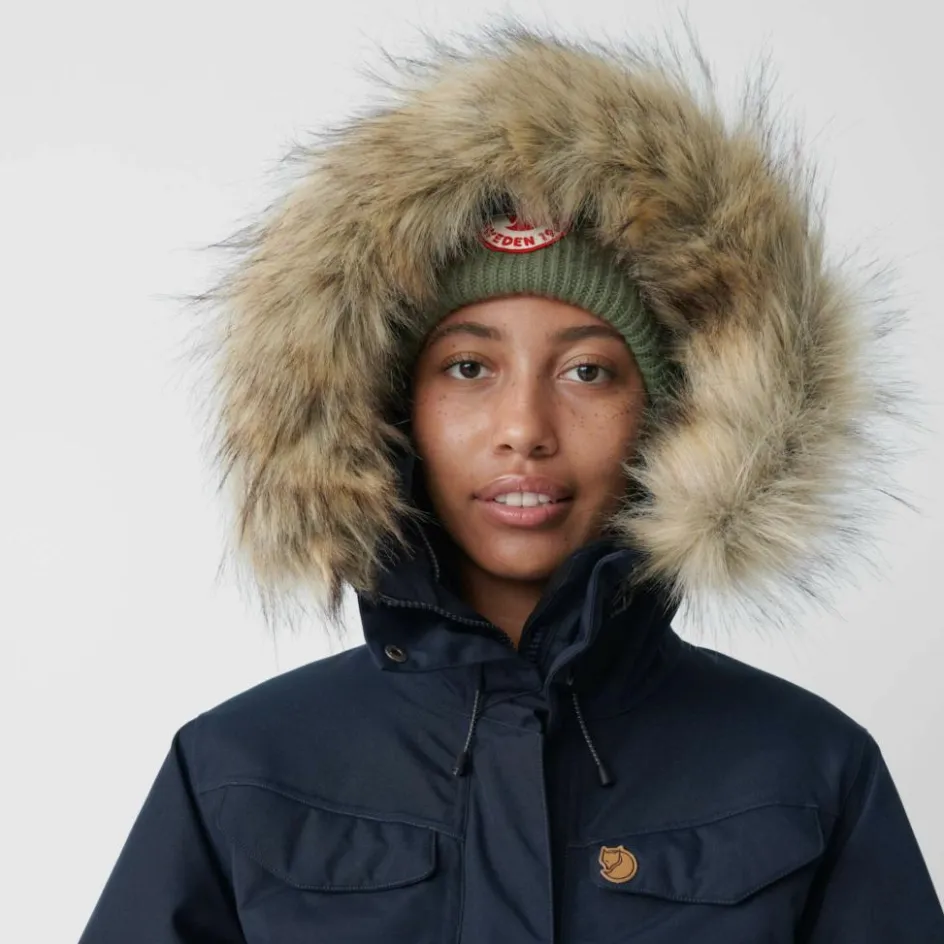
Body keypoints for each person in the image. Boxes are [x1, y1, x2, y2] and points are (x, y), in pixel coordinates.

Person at [78, 24, 944, 943]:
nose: (524, 429)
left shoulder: (806, 772)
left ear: (679, 418)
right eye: (468, 368)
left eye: (588, 372)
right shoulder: (240, 772)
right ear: (388, 406)